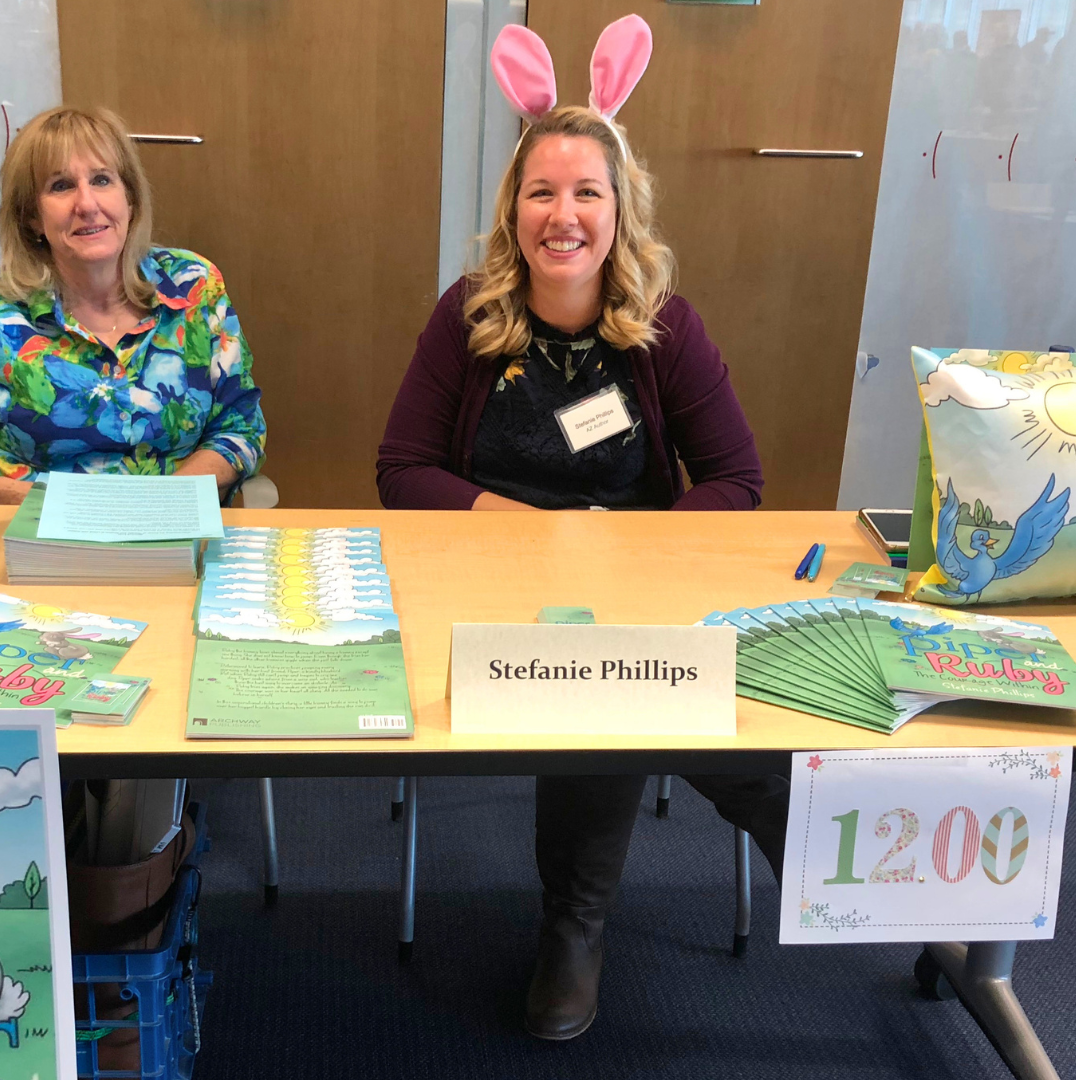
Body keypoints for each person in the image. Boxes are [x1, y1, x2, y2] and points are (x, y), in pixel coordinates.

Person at [375, 29, 788, 1038]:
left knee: (652, 682)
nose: (563, 215)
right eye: (541, 192)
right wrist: (530, 531)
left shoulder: (665, 327)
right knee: (606, 686)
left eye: (586, 193)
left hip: (638, 581)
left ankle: (843, 864)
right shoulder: (467, 316)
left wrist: (636, 550)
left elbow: (738, 480)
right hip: (486, 580)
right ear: (513, 211)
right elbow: (401, 471)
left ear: (620, 209)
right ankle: (576, 926)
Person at [0, 105, 265, 503]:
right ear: (32, 218)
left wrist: (163, 502)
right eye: (60, 186)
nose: (87, 204)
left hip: (170, 532)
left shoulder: (193, 286)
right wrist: (40, 503)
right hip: (27, 538)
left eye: (102, 180)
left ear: (131, 200)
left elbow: (239, 429)